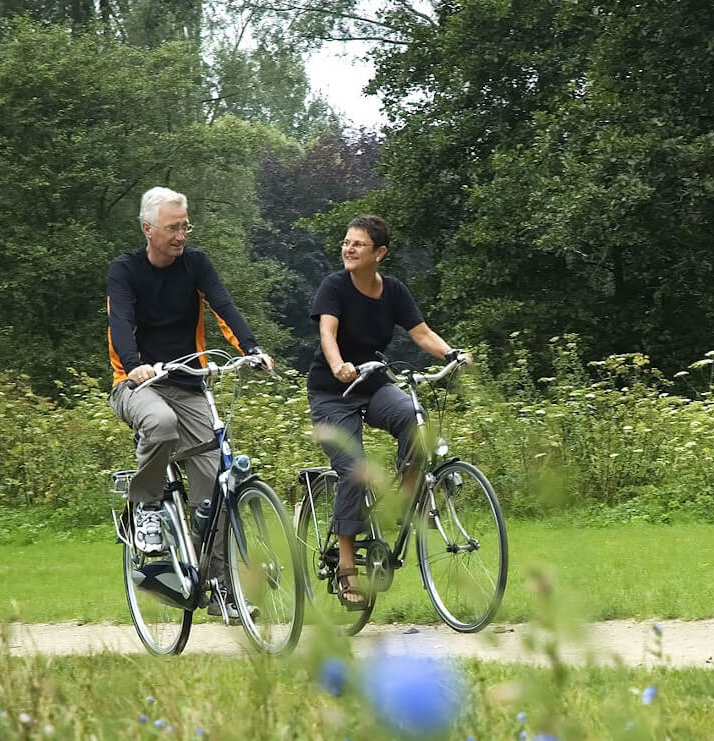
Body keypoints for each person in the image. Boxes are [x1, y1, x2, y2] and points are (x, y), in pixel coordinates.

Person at [107, 186, 273, 620]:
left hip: (190, 384)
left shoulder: (196, 264)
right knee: (160, 425)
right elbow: (120, 322)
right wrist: (134, 365)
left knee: (215, 485)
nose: (181, 235)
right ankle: (145, 504)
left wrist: (250, 349)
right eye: (172, 228)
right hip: (137, 386)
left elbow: (223, 306)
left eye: (185, 226)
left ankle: (220, 588)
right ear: (148, 229)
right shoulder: (124, 270)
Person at [307, 214, 469, 608]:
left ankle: (405, 502)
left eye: (357, 244)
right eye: (346, 243)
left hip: (374, 383)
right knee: (355, 469)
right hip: (333, 392)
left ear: (379, 253)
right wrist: (338, 365)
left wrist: (452, 353)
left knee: (416, 421)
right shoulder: (335, 287)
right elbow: (327, 334)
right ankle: (347, 567)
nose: (348, 249)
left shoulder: (393, 291)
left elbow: (421, 332)